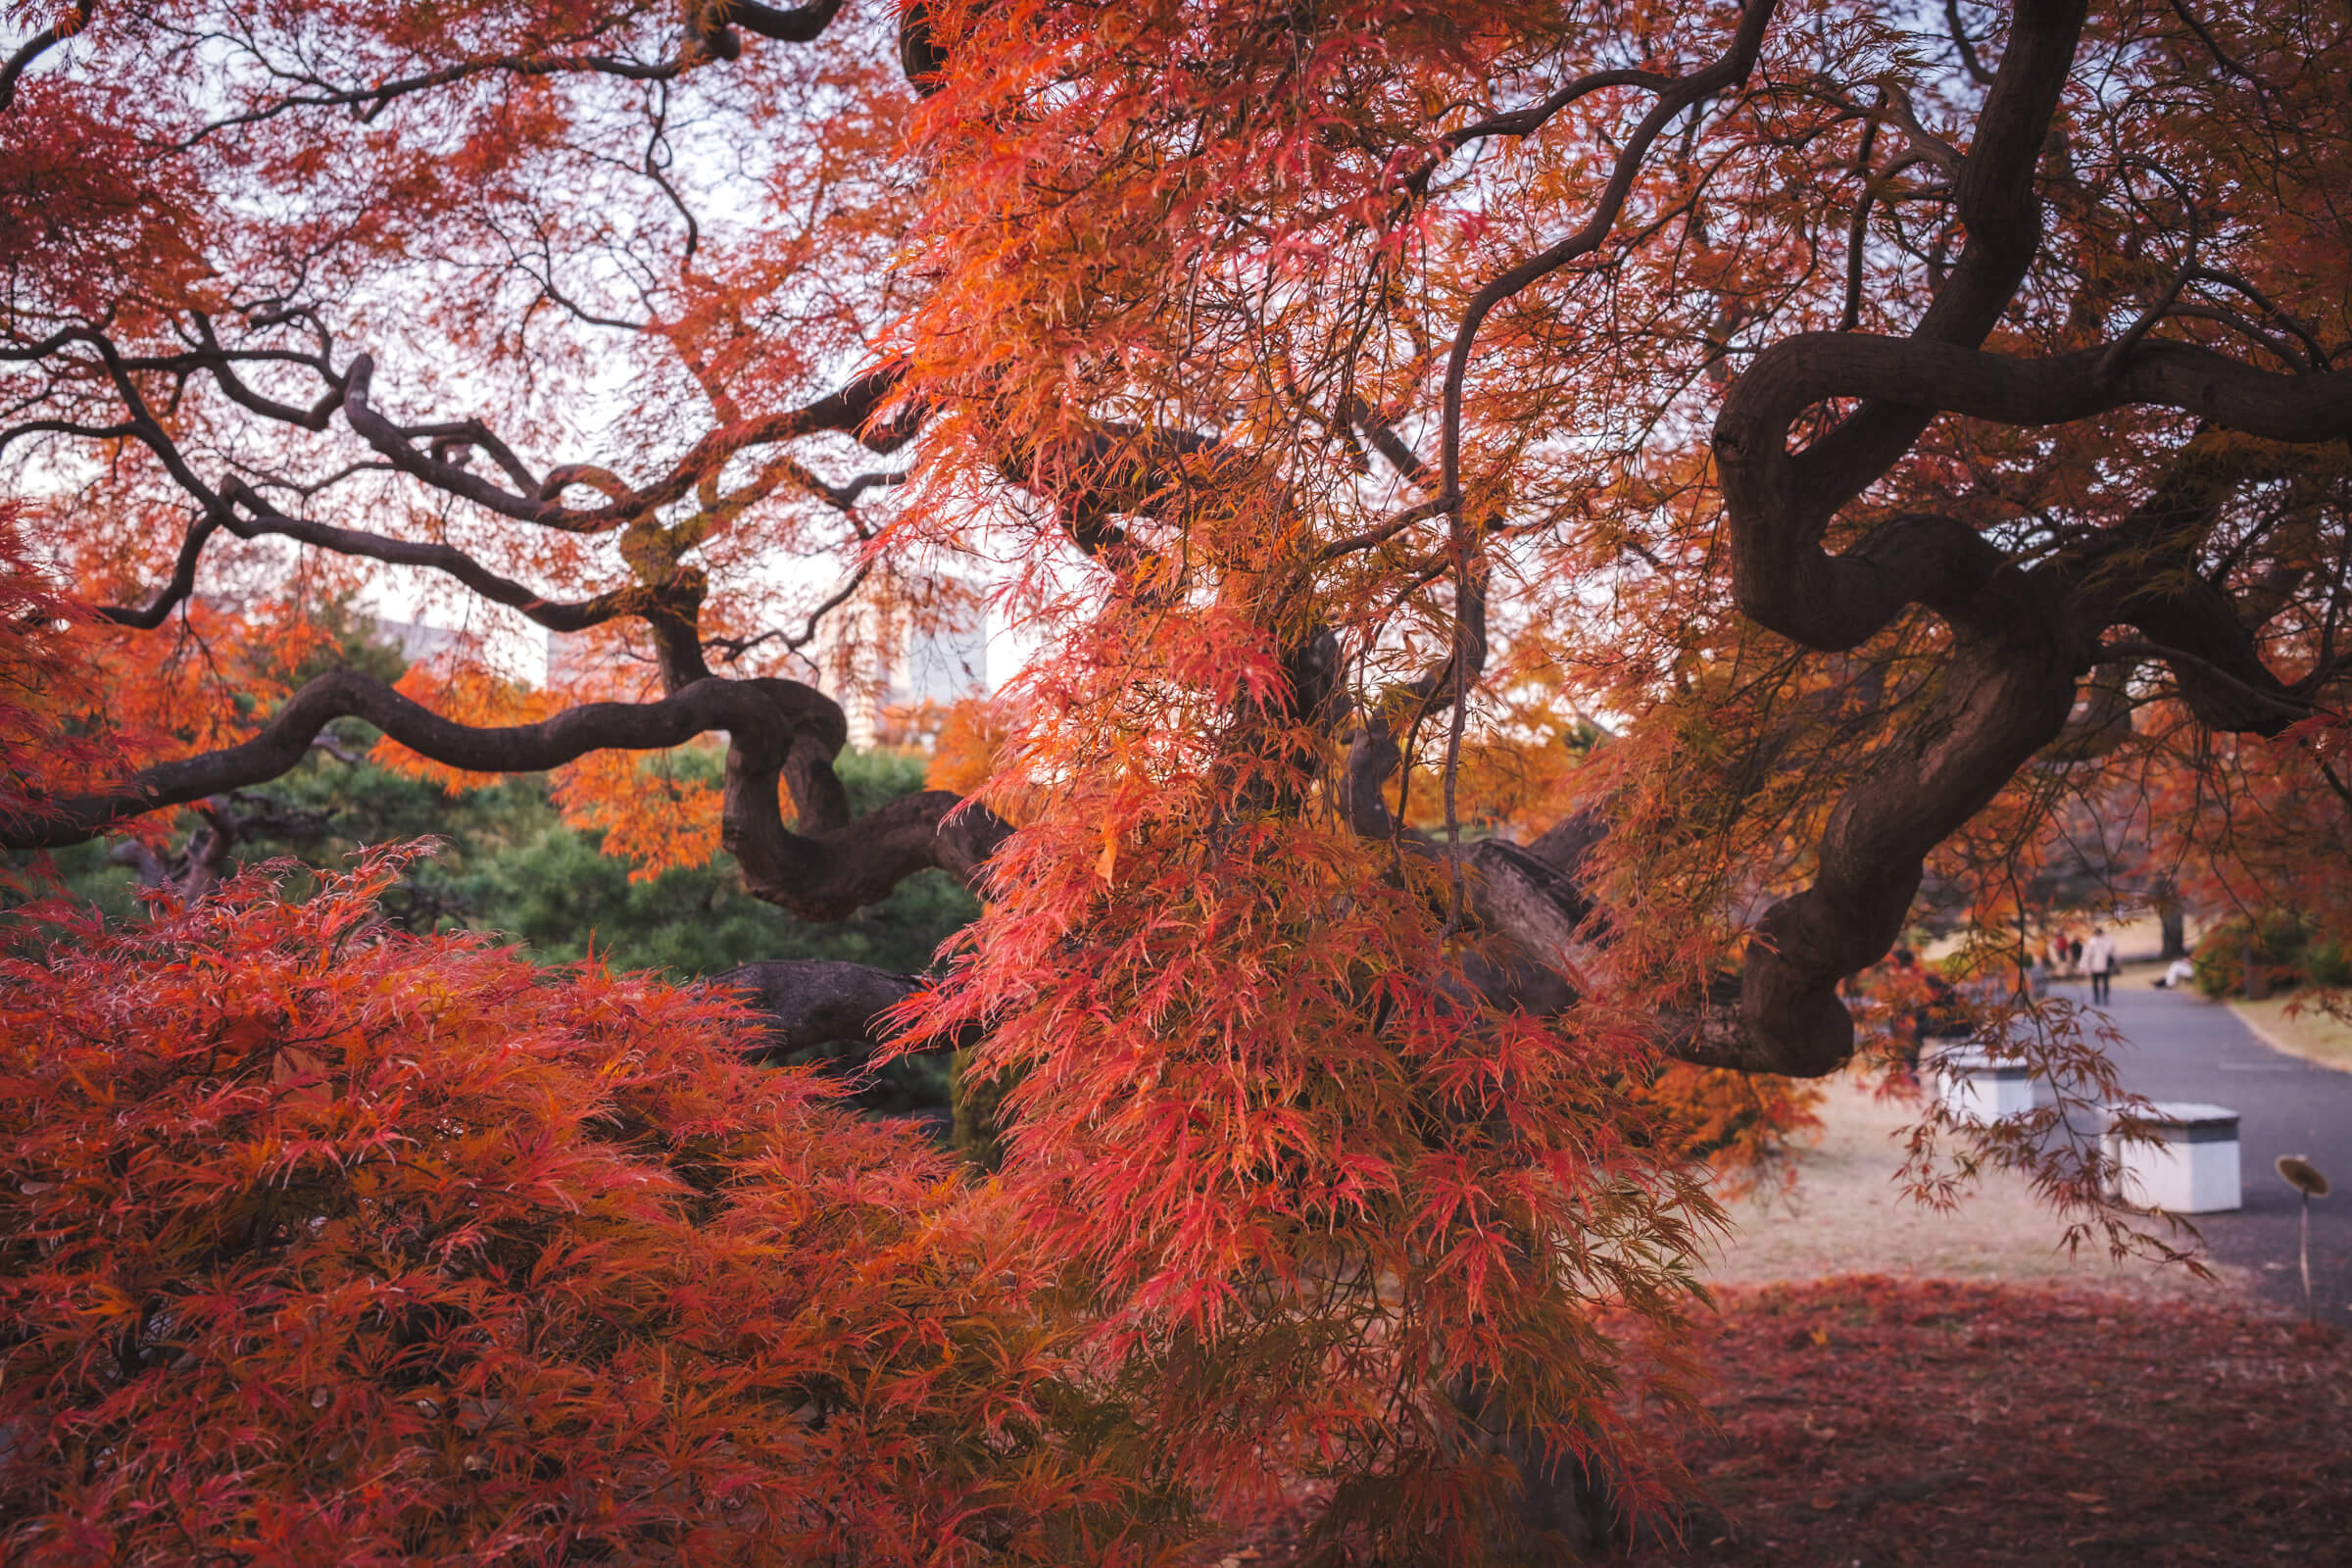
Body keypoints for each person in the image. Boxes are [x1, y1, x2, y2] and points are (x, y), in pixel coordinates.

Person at [2082, 925, 2118, 1004]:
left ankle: (2097, 998)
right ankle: (2103, 998)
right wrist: (2114, 963)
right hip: (2103, 966)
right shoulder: (2107, 941)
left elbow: (2087, 955)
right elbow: (2112, 954)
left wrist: (2086, 966)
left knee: (2097, 983)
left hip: (2097, 966)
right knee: (2104, 983)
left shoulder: (2092, 941)